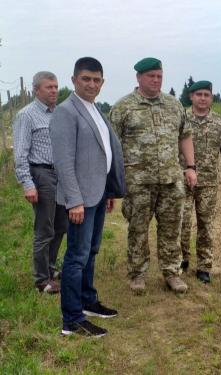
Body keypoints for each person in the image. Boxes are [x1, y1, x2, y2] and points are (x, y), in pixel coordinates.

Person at [49, 57, 126, 337]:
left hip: (97, 193)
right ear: (74, 80)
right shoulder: (66, 112)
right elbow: (63, 161)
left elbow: (100, 154)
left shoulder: (94, 109)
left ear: (102, 83)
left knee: (91, 251)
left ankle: (88, 301)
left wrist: (107, 190)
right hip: (80, 199)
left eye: (96, 80)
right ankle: (71, 319)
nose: (92, 84)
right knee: (76, 257)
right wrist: (74, 201)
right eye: (86, 79)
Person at [110, 57, 197, 295]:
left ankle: (172, 273)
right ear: (139, 78)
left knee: (171, 230)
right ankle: (137, 274)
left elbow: (185, 135)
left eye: (159, 76)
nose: (156, 80)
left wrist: (190, 166)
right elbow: (112, 147)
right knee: (138, 230)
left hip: (171, 181)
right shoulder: (123, 108)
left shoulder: (174, 105)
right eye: (151, 76)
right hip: (138, 183)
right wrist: (113, 183)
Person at [13, 71, 68, 294]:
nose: (54, 90)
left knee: (61, 225)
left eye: (55, 86)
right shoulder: (26, 116)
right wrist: (27, 183)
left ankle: (50, 268)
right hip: (41, 175)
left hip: (61, 175)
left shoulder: (59, 114)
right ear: (36, 90)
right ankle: (41, 281)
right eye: (49, 87)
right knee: (44, 229)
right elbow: (20, 153)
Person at [180, 80, 221, 284]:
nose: (202, 98)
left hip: (208, 183)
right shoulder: (181, 118)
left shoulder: (220, 122)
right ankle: (182, 258)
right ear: (191, 97)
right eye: (199, 94)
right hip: (183, 181)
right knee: (182, 222)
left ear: (211, 97)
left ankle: (204, 266)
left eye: (206, 94)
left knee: (206, 225)